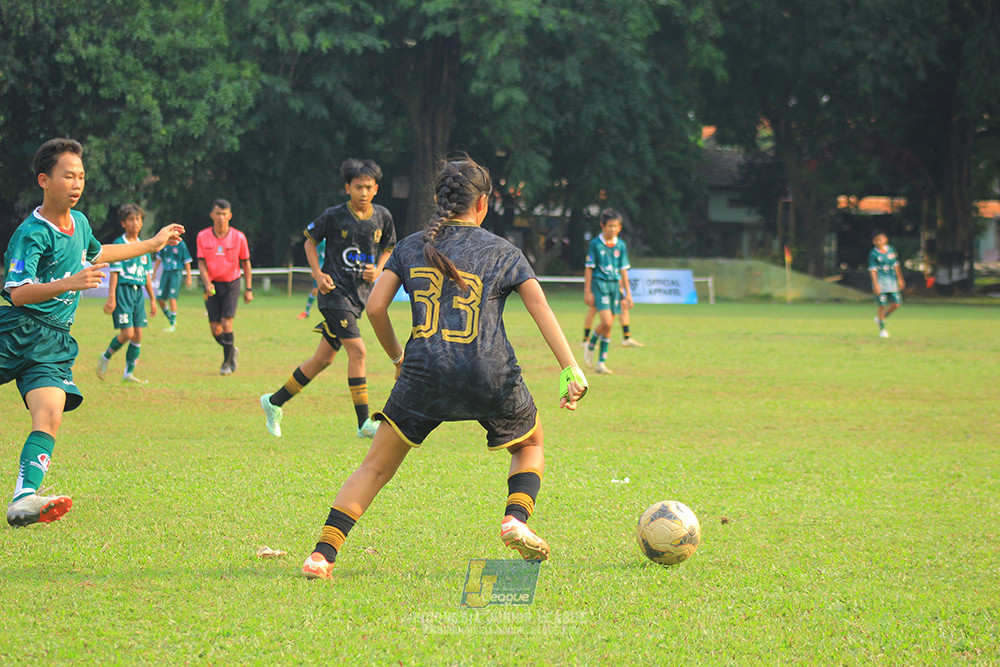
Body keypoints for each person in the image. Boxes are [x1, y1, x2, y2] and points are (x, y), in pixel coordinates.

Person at [300, 157, 588, 580]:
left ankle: (322, 555)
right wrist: (570, 368)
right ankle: (515, 519)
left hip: (423, 373)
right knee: (529, 444)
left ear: (438, 201)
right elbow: (540, 306)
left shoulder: (411, 245)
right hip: (489, 372)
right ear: (483, 203)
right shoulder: (503, 251)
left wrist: (399, 358)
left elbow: (376, 308)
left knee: (374, 467)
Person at [1, 138, 184, 527]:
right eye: (68, 175)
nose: (77, 183)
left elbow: (100, 254)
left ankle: (23, 498)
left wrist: (152, 242)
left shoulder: (80, 223)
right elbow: (17, 294)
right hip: (17, 331)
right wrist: (69, 283)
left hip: (53, 342)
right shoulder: (32, 233)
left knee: (50, 413)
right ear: (44, 180)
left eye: (81, 176)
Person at [259, 159, 395, 439]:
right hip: (334, 294)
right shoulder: (334, 216)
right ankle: (363, 423)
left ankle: (273, 402)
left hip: (358, 299)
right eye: (358, 187)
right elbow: (309, 241)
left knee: (322, 359)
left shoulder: (382, 216)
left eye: (368, 187)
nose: (363, 193)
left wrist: (379, 269)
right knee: (358, 351)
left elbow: (389, 248)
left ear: (376, 189)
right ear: (347, 188)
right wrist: (318, 274)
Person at [96, 204, 158, 383]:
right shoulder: (119, 245)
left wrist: (152, 299)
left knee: (138, 334)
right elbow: (114, 273)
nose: (135, 223)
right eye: (130, 219)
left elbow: (146, 275)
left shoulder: (144, 246)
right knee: (127, 333)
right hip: (123, 292)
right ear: (123, 223)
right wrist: (111, 298)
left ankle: (128, 374)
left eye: (138, 219)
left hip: (138, 294)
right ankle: (106, 357)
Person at [196, 199, 252, 375]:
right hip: (211, 285)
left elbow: (246, 264)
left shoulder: (239, 237)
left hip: (231, 283)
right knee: (215, 329)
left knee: (227, 323)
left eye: (224, 214)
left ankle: (226, 364)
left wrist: (248, 289)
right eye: (218, 214)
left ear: (230, 216)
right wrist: (207, 283)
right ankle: (231, 350)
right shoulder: (202, 236)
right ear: (212, 215)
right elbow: (201, 263)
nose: (221, 217)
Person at [582, 208, 635, 374]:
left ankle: (600, 364)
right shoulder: (595, 244)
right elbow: (589, 268)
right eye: (610, 225)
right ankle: (590, 345)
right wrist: (587, 291)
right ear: (602, 226)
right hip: (600, 284)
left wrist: (628, 293)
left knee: (609, 326)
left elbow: (623, 270)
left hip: (614, 286)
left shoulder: (621, 245)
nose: (613, 229)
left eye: (616, 226)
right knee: (606, 322)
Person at [153, 232, 193, 332]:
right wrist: (154, 272)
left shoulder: (181, 244)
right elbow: (159, 259)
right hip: (166, 273)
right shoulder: (165, 244)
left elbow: (187, 261)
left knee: (172, 297)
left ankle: (172, 325)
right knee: (160, 298)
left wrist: (189, 276)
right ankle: (171, 319)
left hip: (176, 273)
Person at [869, 230, 905, 338]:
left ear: (885, 240)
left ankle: (882, 317)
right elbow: (872, 270)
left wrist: (900, 279)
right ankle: (882, 329)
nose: (879, 242)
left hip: (892, 281)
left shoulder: (891, 251)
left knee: (896, 303)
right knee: (881, 305)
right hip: (881, 282)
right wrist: (875, 284)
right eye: (876, 240)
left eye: (880, 239)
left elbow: (896, 266)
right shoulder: (873, 254)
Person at [297, 239, 327, 319]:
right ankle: (306, 312)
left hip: (332, 269)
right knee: (315, 290)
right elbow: (315, 254)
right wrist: (315, 269)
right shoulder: (320, 240)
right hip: (320, 269)